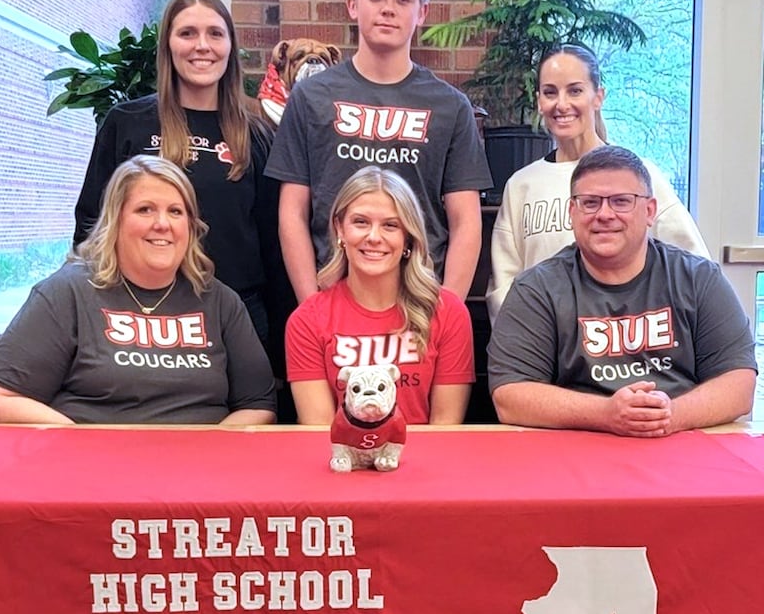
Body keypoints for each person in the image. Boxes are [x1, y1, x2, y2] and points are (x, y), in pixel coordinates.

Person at [0, 156, 276, 425]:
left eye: (175, 211)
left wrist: (209, 449)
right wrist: (79, 443)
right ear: (115, 221)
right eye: (145, 209)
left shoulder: (221, 301)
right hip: (93, 475)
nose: (162, 224)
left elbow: (259, 406)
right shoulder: (68, 292)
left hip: (197, 475)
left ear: (191, 226)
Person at [265, 0, 493, 304]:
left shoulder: (451, 107)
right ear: (353, 5)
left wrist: (446, 312)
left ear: (422, 12)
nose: (388, 8)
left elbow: (466, 221)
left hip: (419, 300)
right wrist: (311, 306)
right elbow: (292, 212)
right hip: (333, 296)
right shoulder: (310, 98)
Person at [487, 145, 757, 437]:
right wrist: (606, 415)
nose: (605, 214)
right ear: (572, 211)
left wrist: (670, 416)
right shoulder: (536, 290)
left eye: (621, 201)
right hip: (579, 445)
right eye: (590, 202)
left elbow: (739, 384)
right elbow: (510, 397)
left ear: (650, 211)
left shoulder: (699, 279)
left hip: (681, 441)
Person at [72, 0, 287, 350]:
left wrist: (282, 348)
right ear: (168, 45)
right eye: (187, 33)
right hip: (143, 314)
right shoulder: (127, 123)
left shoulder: (258, 134)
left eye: (215, 34)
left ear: (230, 46)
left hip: (238, 317)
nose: (202, 45)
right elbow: (91, 226)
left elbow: (274, 244)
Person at [485, 43, 709, 321]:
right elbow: (504, 289)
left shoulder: (640, 176)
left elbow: (694, 267)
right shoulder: (521, 186)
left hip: (627, 352)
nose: (562, 104)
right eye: (550, 92)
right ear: (539, 101)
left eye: (575, 90)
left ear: (598, 97)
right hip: (546, 352)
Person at [285, 165, 474, 425]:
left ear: (408, 237)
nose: (374, 237)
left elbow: (445, 427)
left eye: (390, 225)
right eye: (360, 222)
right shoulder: (307, 320)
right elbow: (321, 433)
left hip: (425, 461)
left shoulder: (447, 311)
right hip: (342, 462)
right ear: (340, 228)